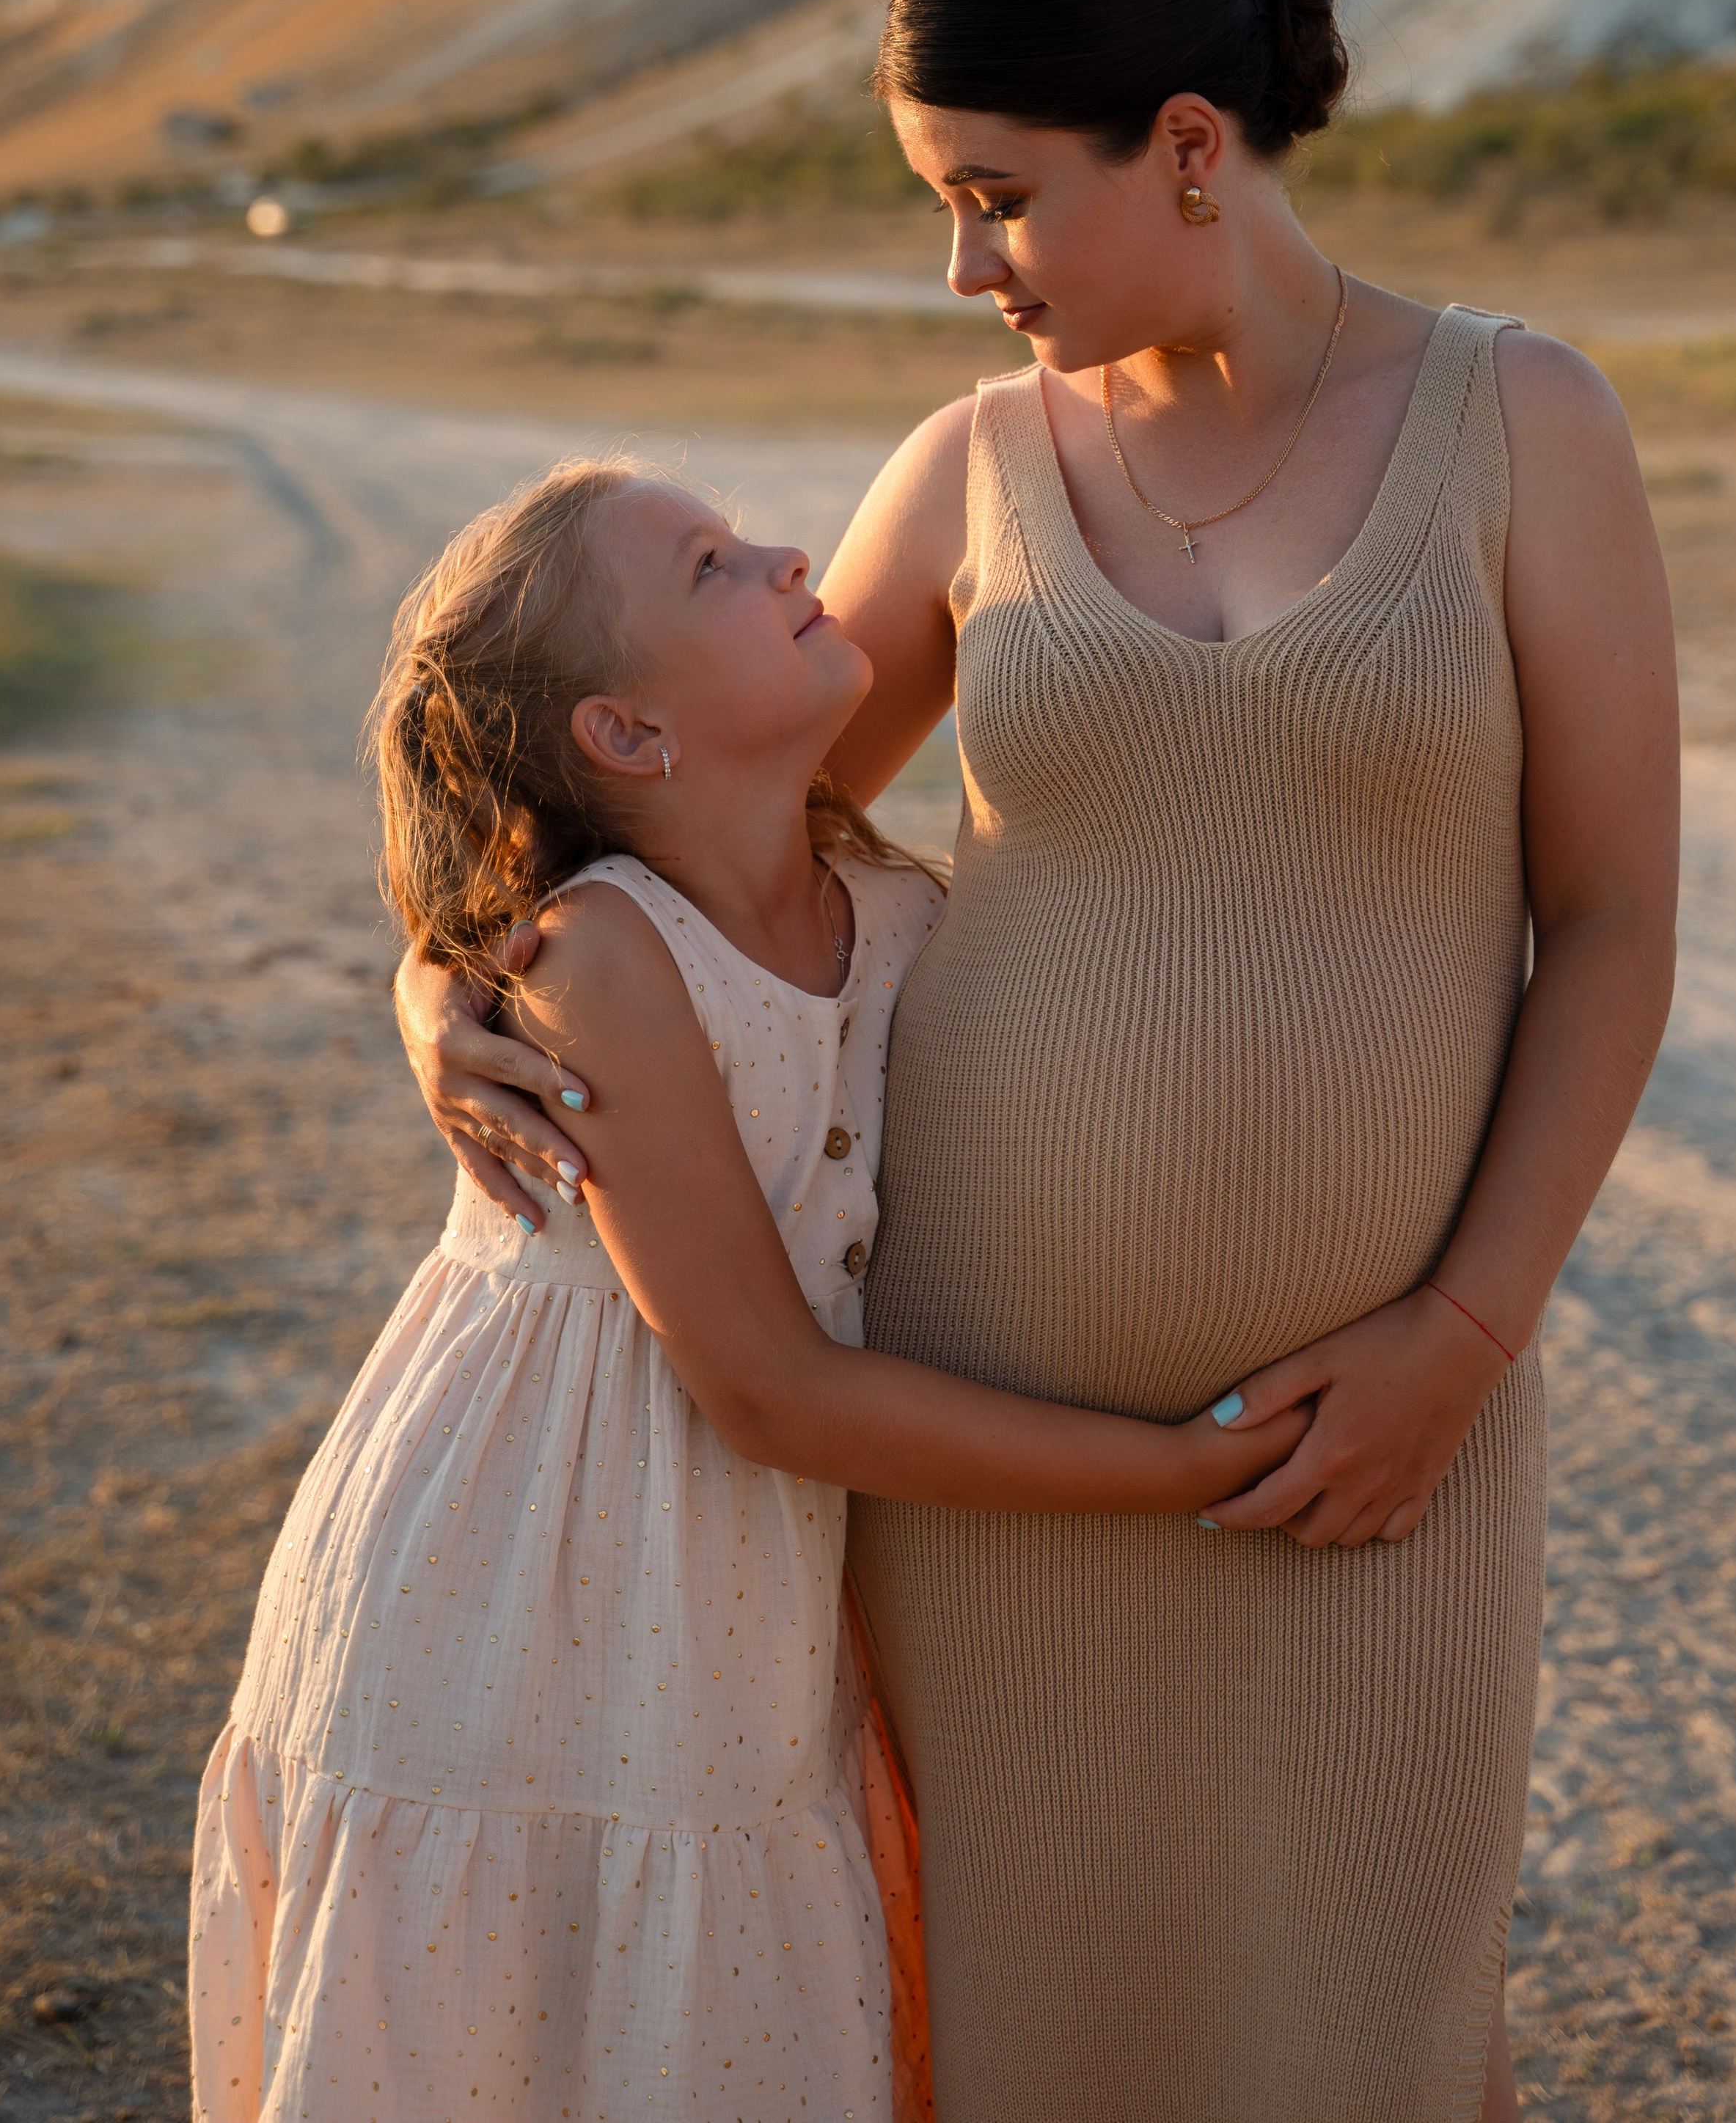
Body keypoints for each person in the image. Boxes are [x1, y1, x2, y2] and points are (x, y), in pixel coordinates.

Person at [393, 0, 1680, 2122]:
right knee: (1033, 2041)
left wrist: (1460, 1342)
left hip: (1390, 1438)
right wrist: (457, 977)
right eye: (940, 205)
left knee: (1385, 2028)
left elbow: (1614, 929)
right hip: (996, 1466)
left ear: (1189, 150)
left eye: (996, 200)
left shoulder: (1525, 423)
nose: (961, 268)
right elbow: (688, 819)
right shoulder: (971, 470)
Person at [188, 449, 1309, 2123]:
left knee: (695, 2024)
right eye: (712, 565)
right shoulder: (603, 957)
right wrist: (1175, 1466)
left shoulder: (897, 913)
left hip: (717, 1603)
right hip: (516, 1584)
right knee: (516, 2026)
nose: (797, 556)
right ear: (628, 737)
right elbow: (768, 1388)